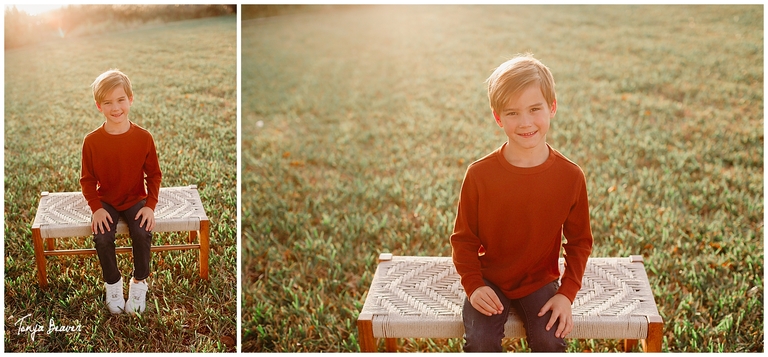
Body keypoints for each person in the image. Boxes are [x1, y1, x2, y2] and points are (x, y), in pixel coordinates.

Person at [450, 54, 593, 352]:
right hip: (490, 279)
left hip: (540, 280)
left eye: (534, 109)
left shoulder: (570, 176)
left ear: (552, 108)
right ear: (498, 117)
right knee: (480, 342)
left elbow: (579, 242)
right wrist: (474, 286)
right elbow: (463, 240)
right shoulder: (479, 175)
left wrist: (566, 294)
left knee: (549, 340)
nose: (525, 122)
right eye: (512, 113)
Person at [80, 69, 162, 315]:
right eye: (108, 103)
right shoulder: (92, 141)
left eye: (120, 100)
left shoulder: (143, 138)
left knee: (141, 232)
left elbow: (154, 175)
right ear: (99, 106)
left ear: (131, 99)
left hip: (136, 198)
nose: (115, 108)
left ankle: (139, 282)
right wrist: (96, 208)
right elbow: (87, 180)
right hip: (107, 200)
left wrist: (150, 205)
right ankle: (113, 283)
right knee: (103, 236)